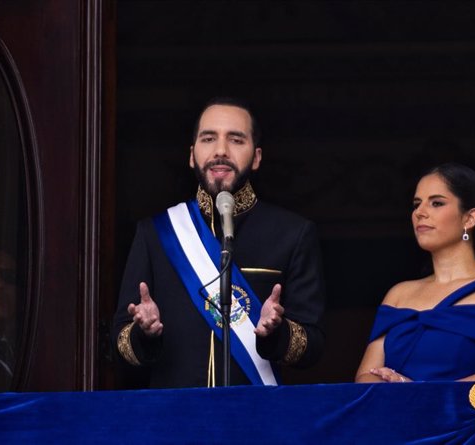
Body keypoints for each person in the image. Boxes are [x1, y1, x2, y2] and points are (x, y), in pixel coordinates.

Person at [113, 97, 325, 388]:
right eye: (209, 138)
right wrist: (143, 333)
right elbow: (120, 343)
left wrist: (277, 333)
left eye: (236, 140)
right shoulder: (155, 233)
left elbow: (312, 347)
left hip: (256, 417)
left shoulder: (293, 233)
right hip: (175, 419)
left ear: (257, 156)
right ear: (192, 154)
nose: (221, 151)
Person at [355, 163, 475, 383]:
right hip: (394, 415)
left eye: (436, 203)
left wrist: (418, 392)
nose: (420, 212)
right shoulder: (398, 294)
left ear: (469, 218)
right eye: (416, 204)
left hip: (462, 417)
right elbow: (364, 376)